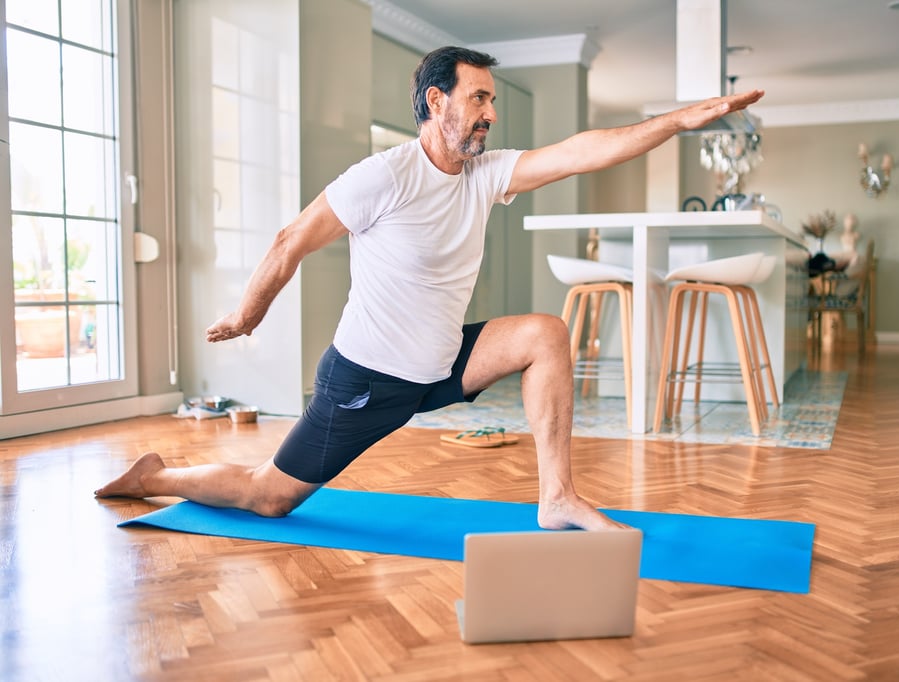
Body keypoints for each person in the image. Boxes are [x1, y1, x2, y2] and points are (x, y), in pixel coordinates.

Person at [96, 46, 763, 531]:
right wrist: (247, 315)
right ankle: (155, 476)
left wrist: (676, 122)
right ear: (437, 101)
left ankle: (557, 497)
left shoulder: (486, 173)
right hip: (366, 380)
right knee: (269, 496)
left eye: (492, 101)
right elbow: (289, 240)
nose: (490, 114)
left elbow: (581, 151)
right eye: (479, 99)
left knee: (544, 334)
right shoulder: (383, 177)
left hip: (440, 365)